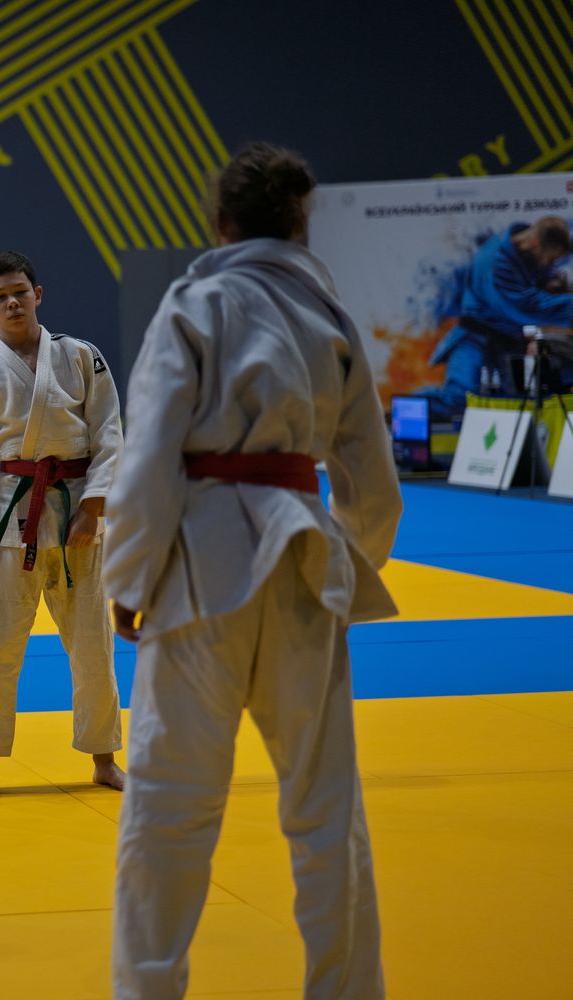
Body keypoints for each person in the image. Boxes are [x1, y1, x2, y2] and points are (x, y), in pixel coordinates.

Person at [104, 143, 402, 999]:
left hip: (201, 569)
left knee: (168, 808)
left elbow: (149, 459)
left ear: (221, 223)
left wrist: (129, 579)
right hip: (305, 562)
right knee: (327, 811)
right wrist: (346, 564)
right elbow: (372, 481)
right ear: (301, 224)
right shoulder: (330, 318)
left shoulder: (195, 302)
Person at [0, 250, 125, 801]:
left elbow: (109, 432)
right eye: (0, 297)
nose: (12, 302)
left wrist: (94, 507)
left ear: (38, 294)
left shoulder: (81, 356)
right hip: (13, 514)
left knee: (92, 643)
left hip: (79, 508)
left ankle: (104, 758)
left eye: (20, 292)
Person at [424, 216, 573, 420]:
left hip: (507, 340)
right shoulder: (496, 261)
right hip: (474, 336)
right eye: (548, 258)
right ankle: (404, 411)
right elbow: (523, 304)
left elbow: (538, 283)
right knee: (458, 398)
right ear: (536, 243)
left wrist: (552, 284)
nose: (549, 264)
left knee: (519, 405)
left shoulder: (525, 253)